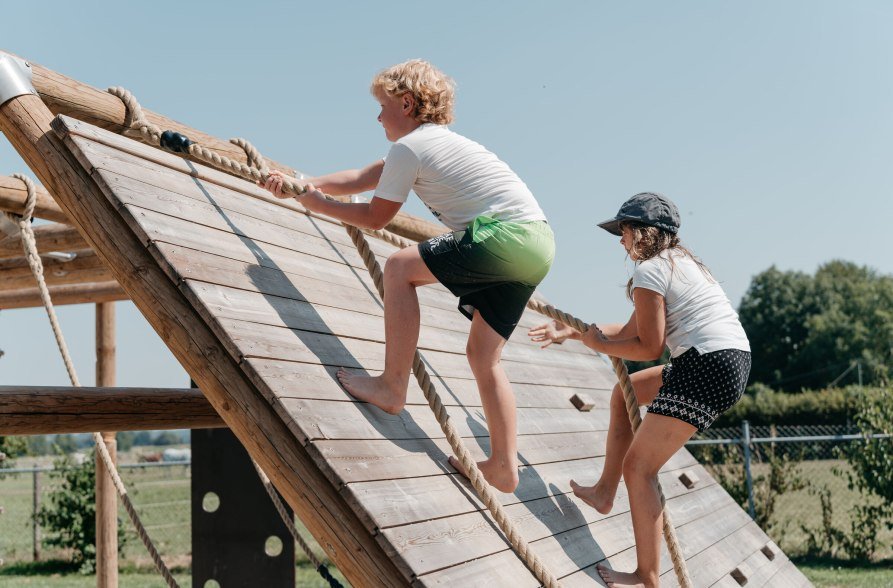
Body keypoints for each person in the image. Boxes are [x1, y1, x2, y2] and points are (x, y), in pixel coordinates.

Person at [262, 59, 554, 493]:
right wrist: (302, 182)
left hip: (506, 236)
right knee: (484, 357)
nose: (377, 116)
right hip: (539, 244)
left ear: (407, 102)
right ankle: (503, 465)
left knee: (399, 267)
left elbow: (377, 216)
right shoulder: (431, 145)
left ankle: (392, 385)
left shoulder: (412, 148)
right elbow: (365, 177)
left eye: (382, 106)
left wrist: (315, 204)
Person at [528, 193, 751, 588]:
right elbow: (632, 330)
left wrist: (600, 347)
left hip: (706, 364)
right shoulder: (678, 264)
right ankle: (604, 491)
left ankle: (647, 576)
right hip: (727, 360)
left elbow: (648, 347)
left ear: (644, 234)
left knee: (640, 468)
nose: (620, 241)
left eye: (624, 231)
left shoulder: (651, 271)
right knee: (626, 391)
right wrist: (574, 332)